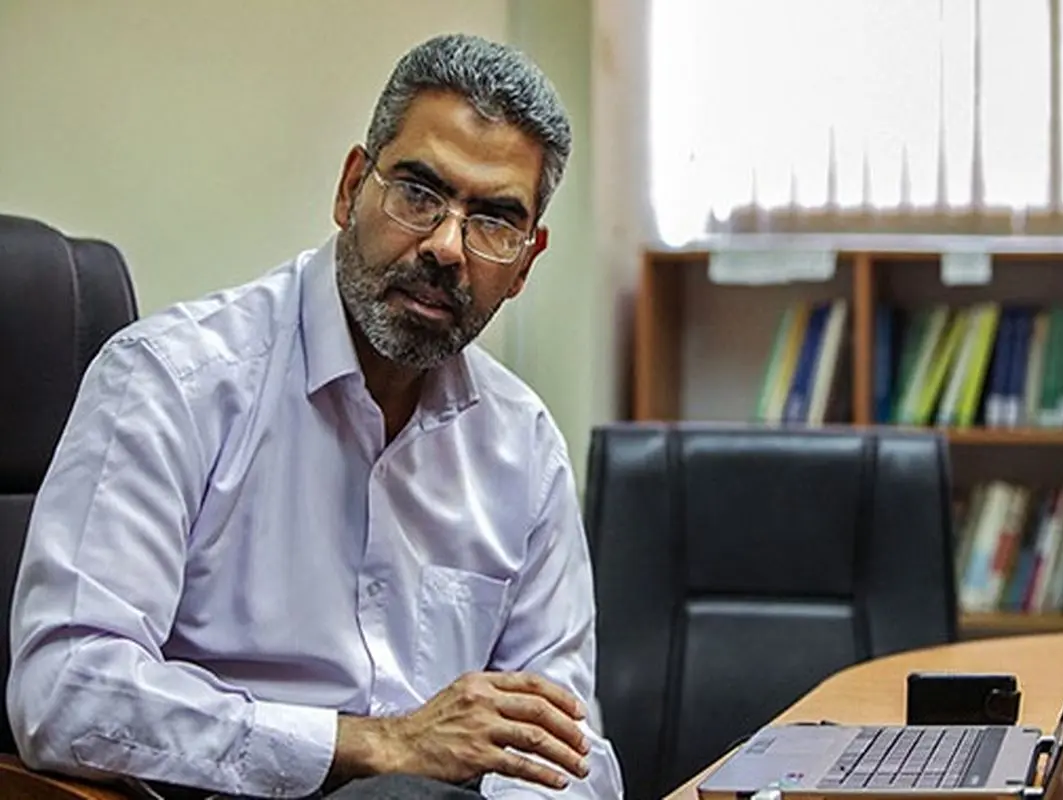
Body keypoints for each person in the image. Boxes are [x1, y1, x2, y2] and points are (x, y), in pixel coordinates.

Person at [6, 33, 624, 800]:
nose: (446, 246)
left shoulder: (522, 445)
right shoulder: (174, 382)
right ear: (351, 188)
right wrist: (372, 745)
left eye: (494, 221)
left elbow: (566, 749)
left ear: (526, 262)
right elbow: (65, 688)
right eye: (418, 193)